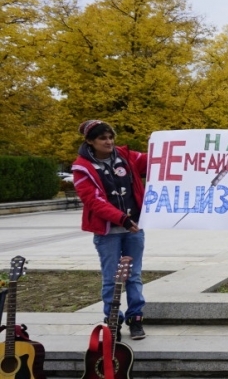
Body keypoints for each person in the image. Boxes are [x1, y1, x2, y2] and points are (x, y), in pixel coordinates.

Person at [72, 120, 148, 340]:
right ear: (90, 142)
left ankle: (136, 318)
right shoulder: (82, 168)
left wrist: (166, 146)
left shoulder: (127, 156)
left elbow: (157, 160)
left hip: (133, 229)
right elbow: (93, 201)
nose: (109, 142)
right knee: (110, 278)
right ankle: (113, 319)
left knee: (134, 276)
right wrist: (121, 218)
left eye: (110, 137)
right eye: (102, 138)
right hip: (108, 233)